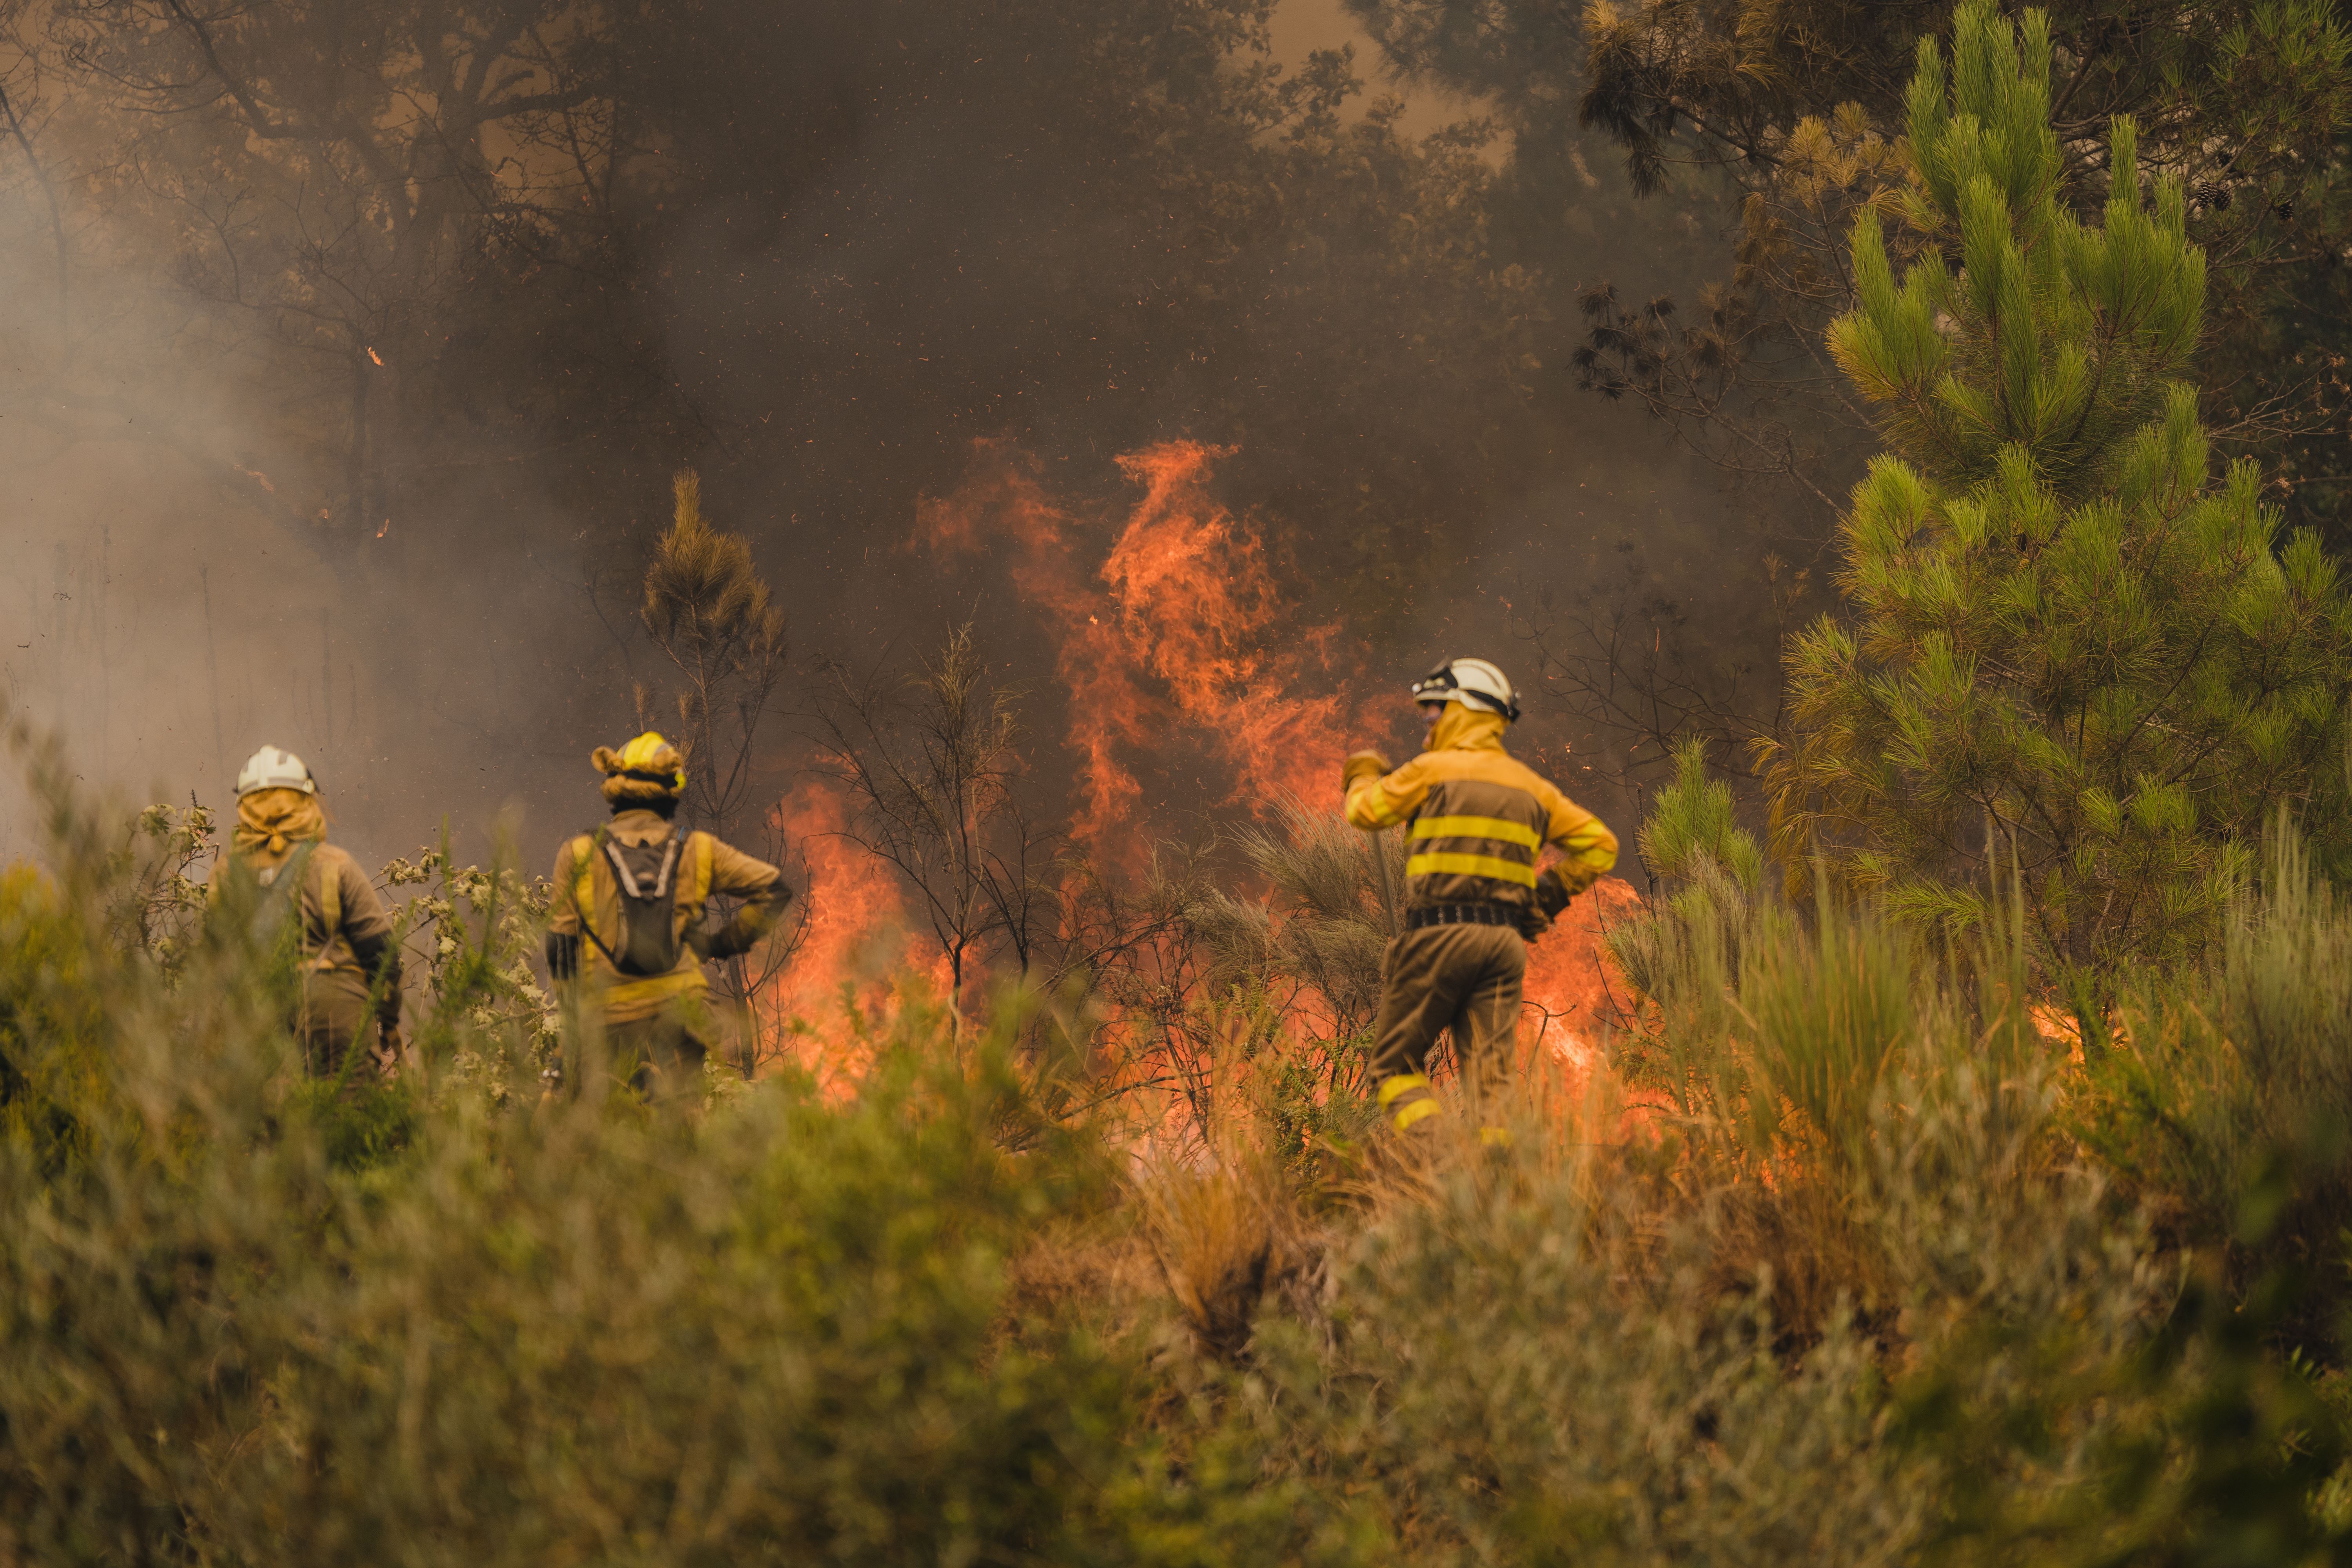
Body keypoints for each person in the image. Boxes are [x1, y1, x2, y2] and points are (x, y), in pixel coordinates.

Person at [1342, 659, 1617, 1133]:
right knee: (1492, 1086)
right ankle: (1499, 1187)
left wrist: (1362, 774)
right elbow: (1601, 846)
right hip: (1503, 948)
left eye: (1434, 713)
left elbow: (1365, 813)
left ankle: (1439, 1159)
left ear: (1464, 710)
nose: (1427, 725)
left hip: (1439, 938)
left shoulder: (1433, 770)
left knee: (1393, 1067)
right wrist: (1545, 898)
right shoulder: (1532, 787)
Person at [544, 731, 792, 1101]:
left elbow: (560, 951)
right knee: (680, 1129)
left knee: (604, 1135)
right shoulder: (698, 850)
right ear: (670, 792)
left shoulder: (579, 854)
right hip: (682, 1022)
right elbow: (774, 891)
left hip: (608, 1024)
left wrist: (572, 1035)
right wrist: (720, 944)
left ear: (615, 790)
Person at [222, 744, 402, 1083]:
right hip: (337, 1018)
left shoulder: (226, 876)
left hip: (260, 1023)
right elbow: (382, 956)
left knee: (269, 1129)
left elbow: (215, 969)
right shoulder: (334, 866)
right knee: (345, 1123)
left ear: (244, 809)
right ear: (306, 802)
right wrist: (386, 1022)